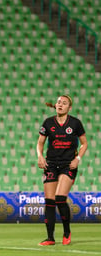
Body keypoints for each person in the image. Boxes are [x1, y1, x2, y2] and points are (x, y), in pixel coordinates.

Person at [37, 95, 87, 246]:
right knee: (49, 201)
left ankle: (66, 232)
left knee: (60, 198)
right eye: (59, 102)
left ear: (69, 108)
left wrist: (77, 159)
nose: (60, 104)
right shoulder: (48, 123)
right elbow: (40, 143)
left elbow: (84, 144)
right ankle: (50, 238)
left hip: (68, 165)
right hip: (51, 164)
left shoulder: (75, 123)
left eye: (64, 103)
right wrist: (40, 157)